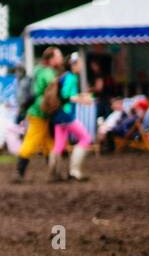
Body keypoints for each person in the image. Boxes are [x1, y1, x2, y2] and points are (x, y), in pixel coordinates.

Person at [14, 46, 62, 182]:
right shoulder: (48, 73)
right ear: (51, 59)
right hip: (40, 112)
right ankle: (19, 172)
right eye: (58, 57)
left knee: (49, 143)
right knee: (31, 141)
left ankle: (54, 172)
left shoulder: (37, 69)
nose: (60, 59)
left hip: (37, 111)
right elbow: (53, 93)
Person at [49, 52, 92, 182]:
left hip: (58, 115)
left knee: (59, 145)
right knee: (85, 138)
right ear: (73, 64)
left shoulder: (65, 76)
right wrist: (81, 100)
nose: (81, 66)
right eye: (79, 63)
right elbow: (65, 96)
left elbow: (66, 94)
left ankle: (54, 174)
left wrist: (80, 97)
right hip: (66, 115)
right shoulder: (71, 77)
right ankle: (74, 171)